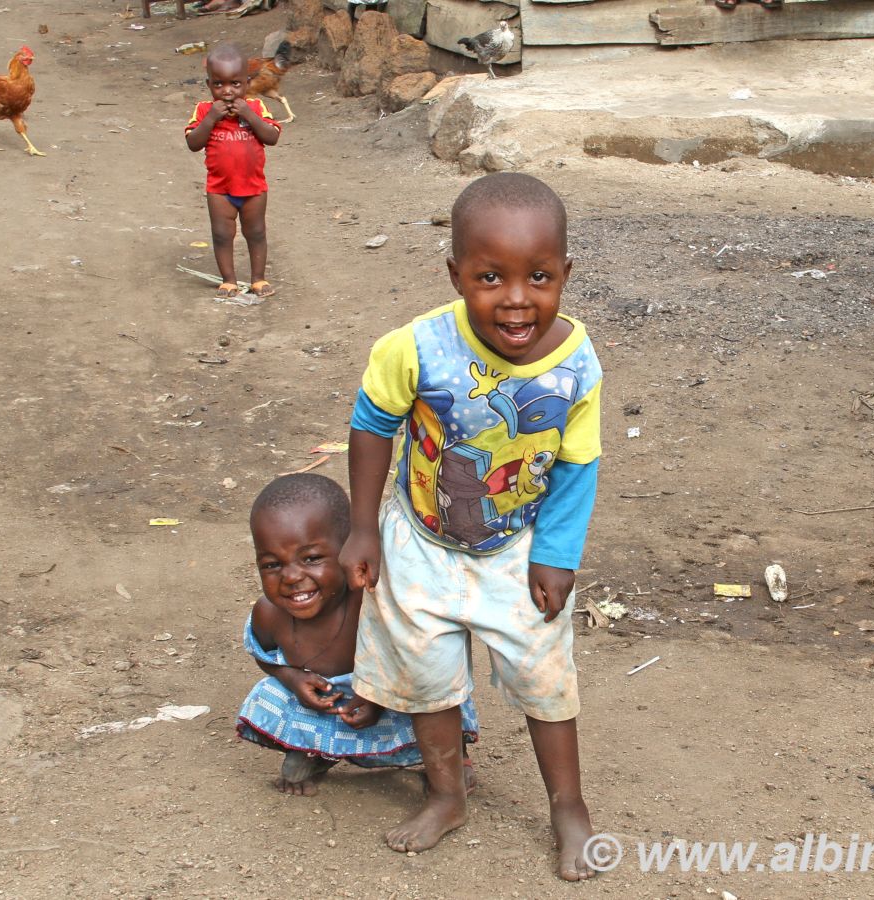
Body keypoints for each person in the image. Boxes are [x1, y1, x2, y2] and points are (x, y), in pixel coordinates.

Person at [340, 172, 603, 880]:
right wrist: (363, 528)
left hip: (517, 549)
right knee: (427, 677)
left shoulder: (576, 363)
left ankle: (569, 807)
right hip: (419, 542)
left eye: (538, 277)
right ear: (455, 274)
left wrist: (556, 554)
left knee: (546, 677)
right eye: (490, 277)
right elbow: (371, 426)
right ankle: (447, 795)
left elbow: (577, 464)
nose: (516, 298)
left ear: (566, 273)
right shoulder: (416, 347)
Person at [236, 473, 478, 796]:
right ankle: (315, 751)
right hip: (329, 704)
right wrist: (292, 678)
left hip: (390, 692)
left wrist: (377, 696)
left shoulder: (371, 601)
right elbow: (263, 655)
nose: (291, 577)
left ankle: (453, 759)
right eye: (271, 565)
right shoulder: (269, 615)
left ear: (348, 551)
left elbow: (412, 658)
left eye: (311, 559)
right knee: (270, 694)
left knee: (432, 691)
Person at [184, 42, 280, 299]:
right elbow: (193, 143)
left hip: (254, 187)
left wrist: (249, 114)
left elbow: (272, 137)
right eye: (218, 84)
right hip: (220, 189)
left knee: (256, 232)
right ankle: (228, 280)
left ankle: (258, 279)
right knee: (222, 235)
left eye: (235, 84)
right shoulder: (204, 110)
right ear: (209, 85)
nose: (227, 91)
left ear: (247, 83)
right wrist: (210, 119)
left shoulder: (256, 107)